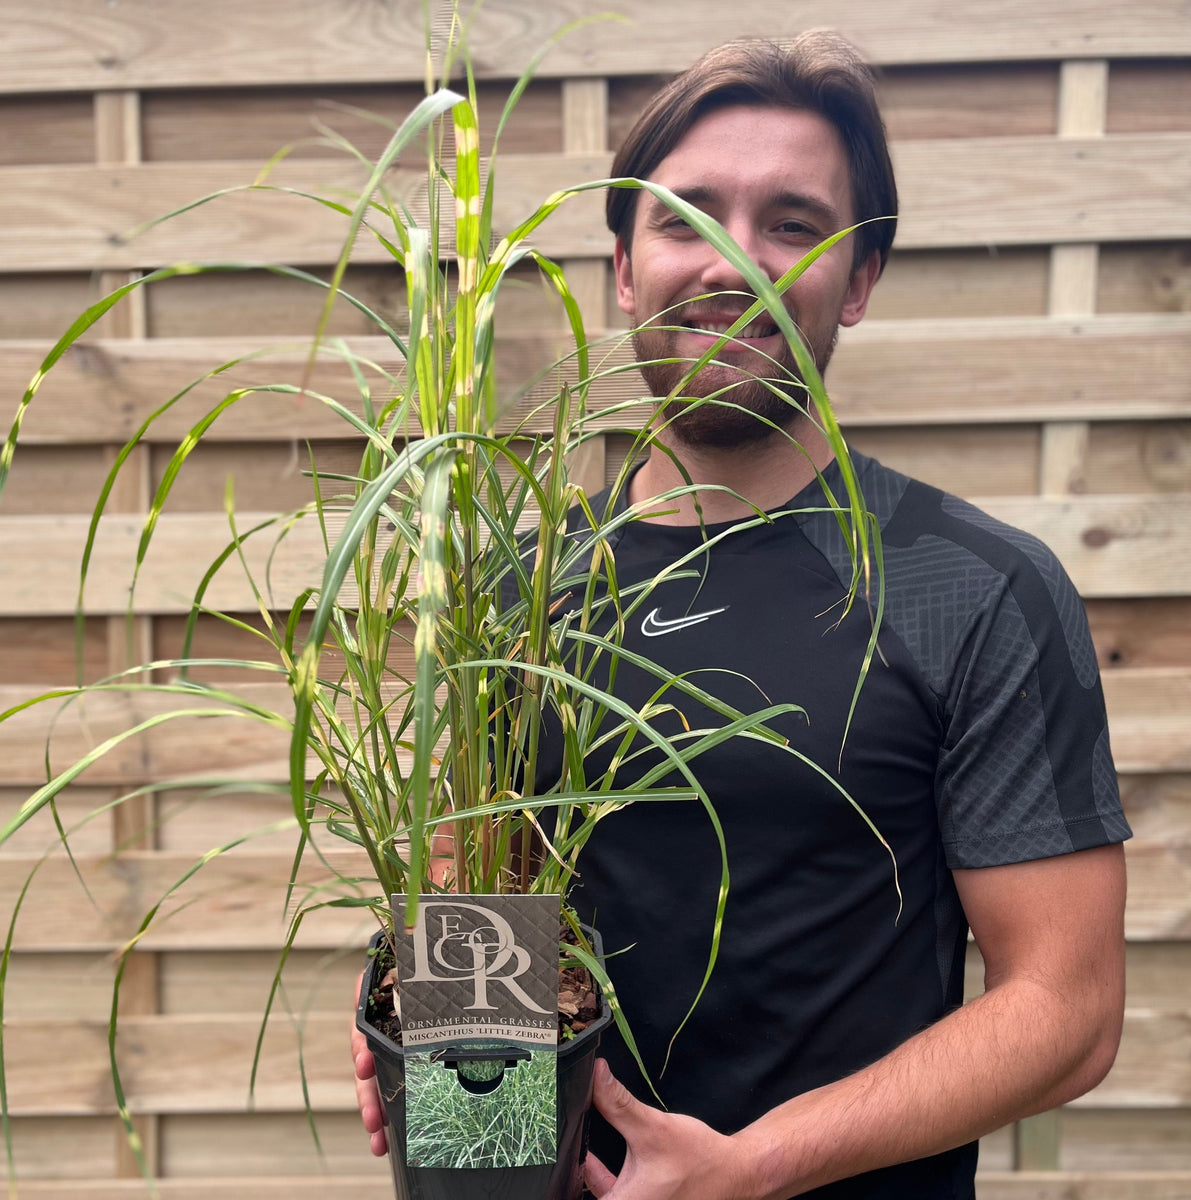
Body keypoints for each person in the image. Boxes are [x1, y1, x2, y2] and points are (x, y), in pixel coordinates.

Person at [353, 32, 1130, 1199]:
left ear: (858, 279)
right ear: (623, 267)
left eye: (791, 223)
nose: (731, 261)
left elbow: (1068, 1010)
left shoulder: (972, 590)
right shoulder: (509, 598)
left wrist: (752, 1168)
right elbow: (479, 921)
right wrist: (439, 1074)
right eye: (687, 217)